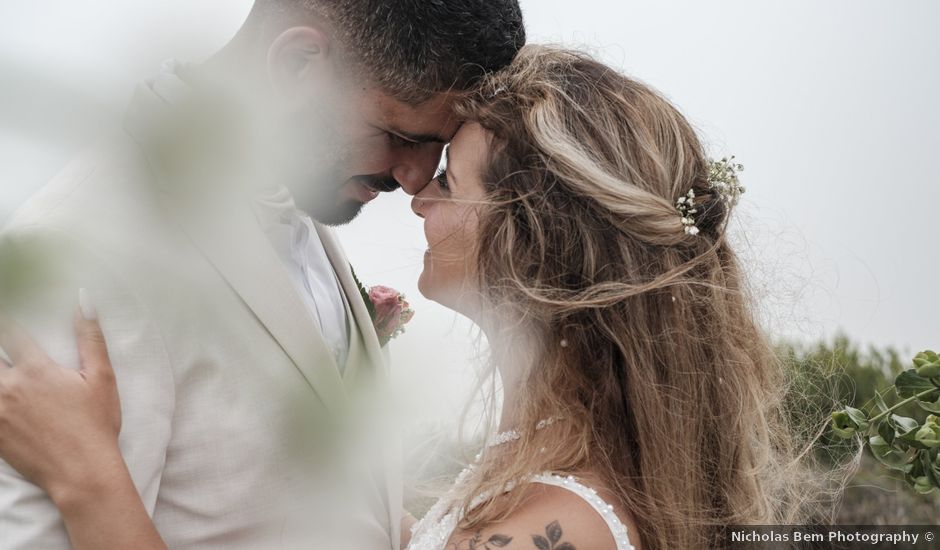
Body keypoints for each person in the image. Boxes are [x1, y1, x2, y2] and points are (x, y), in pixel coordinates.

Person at [0, 46, 830, 550]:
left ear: (533, 243)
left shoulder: (554, 525)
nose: (416, 195)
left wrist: (88, 480)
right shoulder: (540, 458)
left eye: (448, 179)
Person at [0, 1, 525, 549]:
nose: (417, 179)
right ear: (298, 62)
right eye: (400, 135)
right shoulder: (76, 248)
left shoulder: (303, 200)